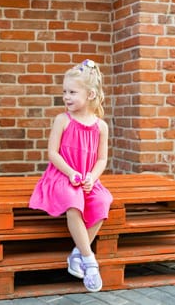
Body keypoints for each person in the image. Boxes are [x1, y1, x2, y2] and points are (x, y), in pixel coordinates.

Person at [29, 59, 113, 292]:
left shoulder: (101, 126)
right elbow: (52, 153)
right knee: (74, 203)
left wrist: (92, 178)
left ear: (91, 94)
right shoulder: (62, 120)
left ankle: (77, 253)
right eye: (64, 91)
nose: (66, 96)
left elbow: (101, 159)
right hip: (61, 176)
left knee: (103, 200)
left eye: (72, 92)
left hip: (86, 177)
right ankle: (90, 261)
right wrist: (71, 172)